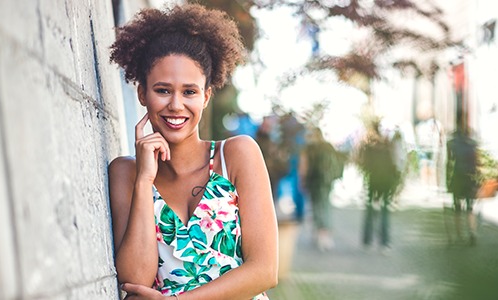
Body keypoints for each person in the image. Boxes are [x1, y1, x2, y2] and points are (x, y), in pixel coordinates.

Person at [108, 4, 277, 299]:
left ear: (206, 96)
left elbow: (264, 270)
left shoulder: (237, 154)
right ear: (142, 93)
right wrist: (144, 181)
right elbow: (134, 280)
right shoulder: (126, 172)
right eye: (162, 90)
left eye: (189, 92)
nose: (176, 105)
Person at [357, 120, 402, 252]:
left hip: (373, 181)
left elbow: (362, 164)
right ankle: (384, 242)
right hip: (386, 181)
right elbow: (394, 165)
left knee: (370, 209)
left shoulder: (368, 146)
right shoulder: (388, 145)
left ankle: (367, 240)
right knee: (384, 211)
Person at [302, 127, 346, 251]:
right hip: (326, 181)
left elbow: (304, 165)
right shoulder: (328, 147)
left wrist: (303, 180)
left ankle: (319, 233)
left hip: (314, 181)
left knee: (317, 207)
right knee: (325, 206)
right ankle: (324, 234)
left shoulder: (310, 148)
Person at [445, 127, 479, 245]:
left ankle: (459, 234)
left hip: (457, 177)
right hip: (469, 177)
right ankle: (472, 232)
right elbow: (476, 163)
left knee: (457, 207)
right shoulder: (472, 145)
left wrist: (447, 181)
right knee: (470, 207)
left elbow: (449, 163)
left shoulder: (451, 144)